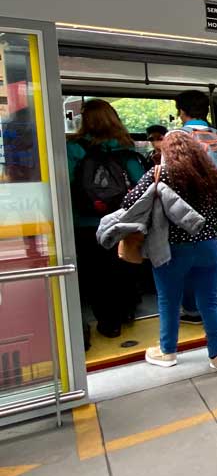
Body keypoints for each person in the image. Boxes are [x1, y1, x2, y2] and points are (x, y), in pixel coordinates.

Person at [117, 131, 217, 373]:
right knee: (209, 302)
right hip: (208, 246)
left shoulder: (159, 174)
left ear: (166, 152)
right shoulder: (211, 177)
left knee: (169, 300)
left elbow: (129, 205)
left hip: (171, 250)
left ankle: (168, 351)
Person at [67, 99, 147, 343]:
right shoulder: (125, 148)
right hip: (123, 222)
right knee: (124, 267)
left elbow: (67, 186)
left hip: (87, 224)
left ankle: (108, 323)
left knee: (96, 275)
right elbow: (141, 186)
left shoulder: (74, 149)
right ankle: (127, 312)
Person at [173, 90, 217, 328]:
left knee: (187, 260)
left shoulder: (176, 138)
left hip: (187, 213)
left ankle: (192, 311)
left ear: (182, 111)